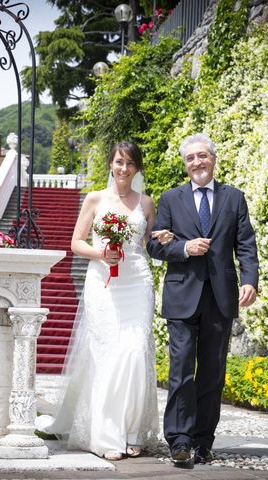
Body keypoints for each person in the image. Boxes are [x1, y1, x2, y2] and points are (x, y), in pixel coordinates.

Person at [37, 141, 163, 461]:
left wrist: (167, 240)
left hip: (137, 281)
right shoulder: (95, 199)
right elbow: (76, 242)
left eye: (131, 163)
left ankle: (133, 431)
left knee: (135, 351)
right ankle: (108, 434)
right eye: (119, 162)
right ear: (110, 163)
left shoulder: (146, 203)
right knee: (107, 355)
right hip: (102, 283)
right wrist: (101, 253)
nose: (124, 169)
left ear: (137, 168)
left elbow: (152, 246)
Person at [146, 133, 259, 466]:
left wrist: (250, 280)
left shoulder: (234, 198)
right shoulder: (170, 199)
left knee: (212, 372)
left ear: (213, 158)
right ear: (185, 165)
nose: (196, 162)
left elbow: (246, 244)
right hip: (182, 295)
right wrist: (182, 247)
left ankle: (203, 441)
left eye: (202, 156)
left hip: (221, 298)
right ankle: (179, 441)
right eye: (190, 158)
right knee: (181, 371)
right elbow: (154, 245)